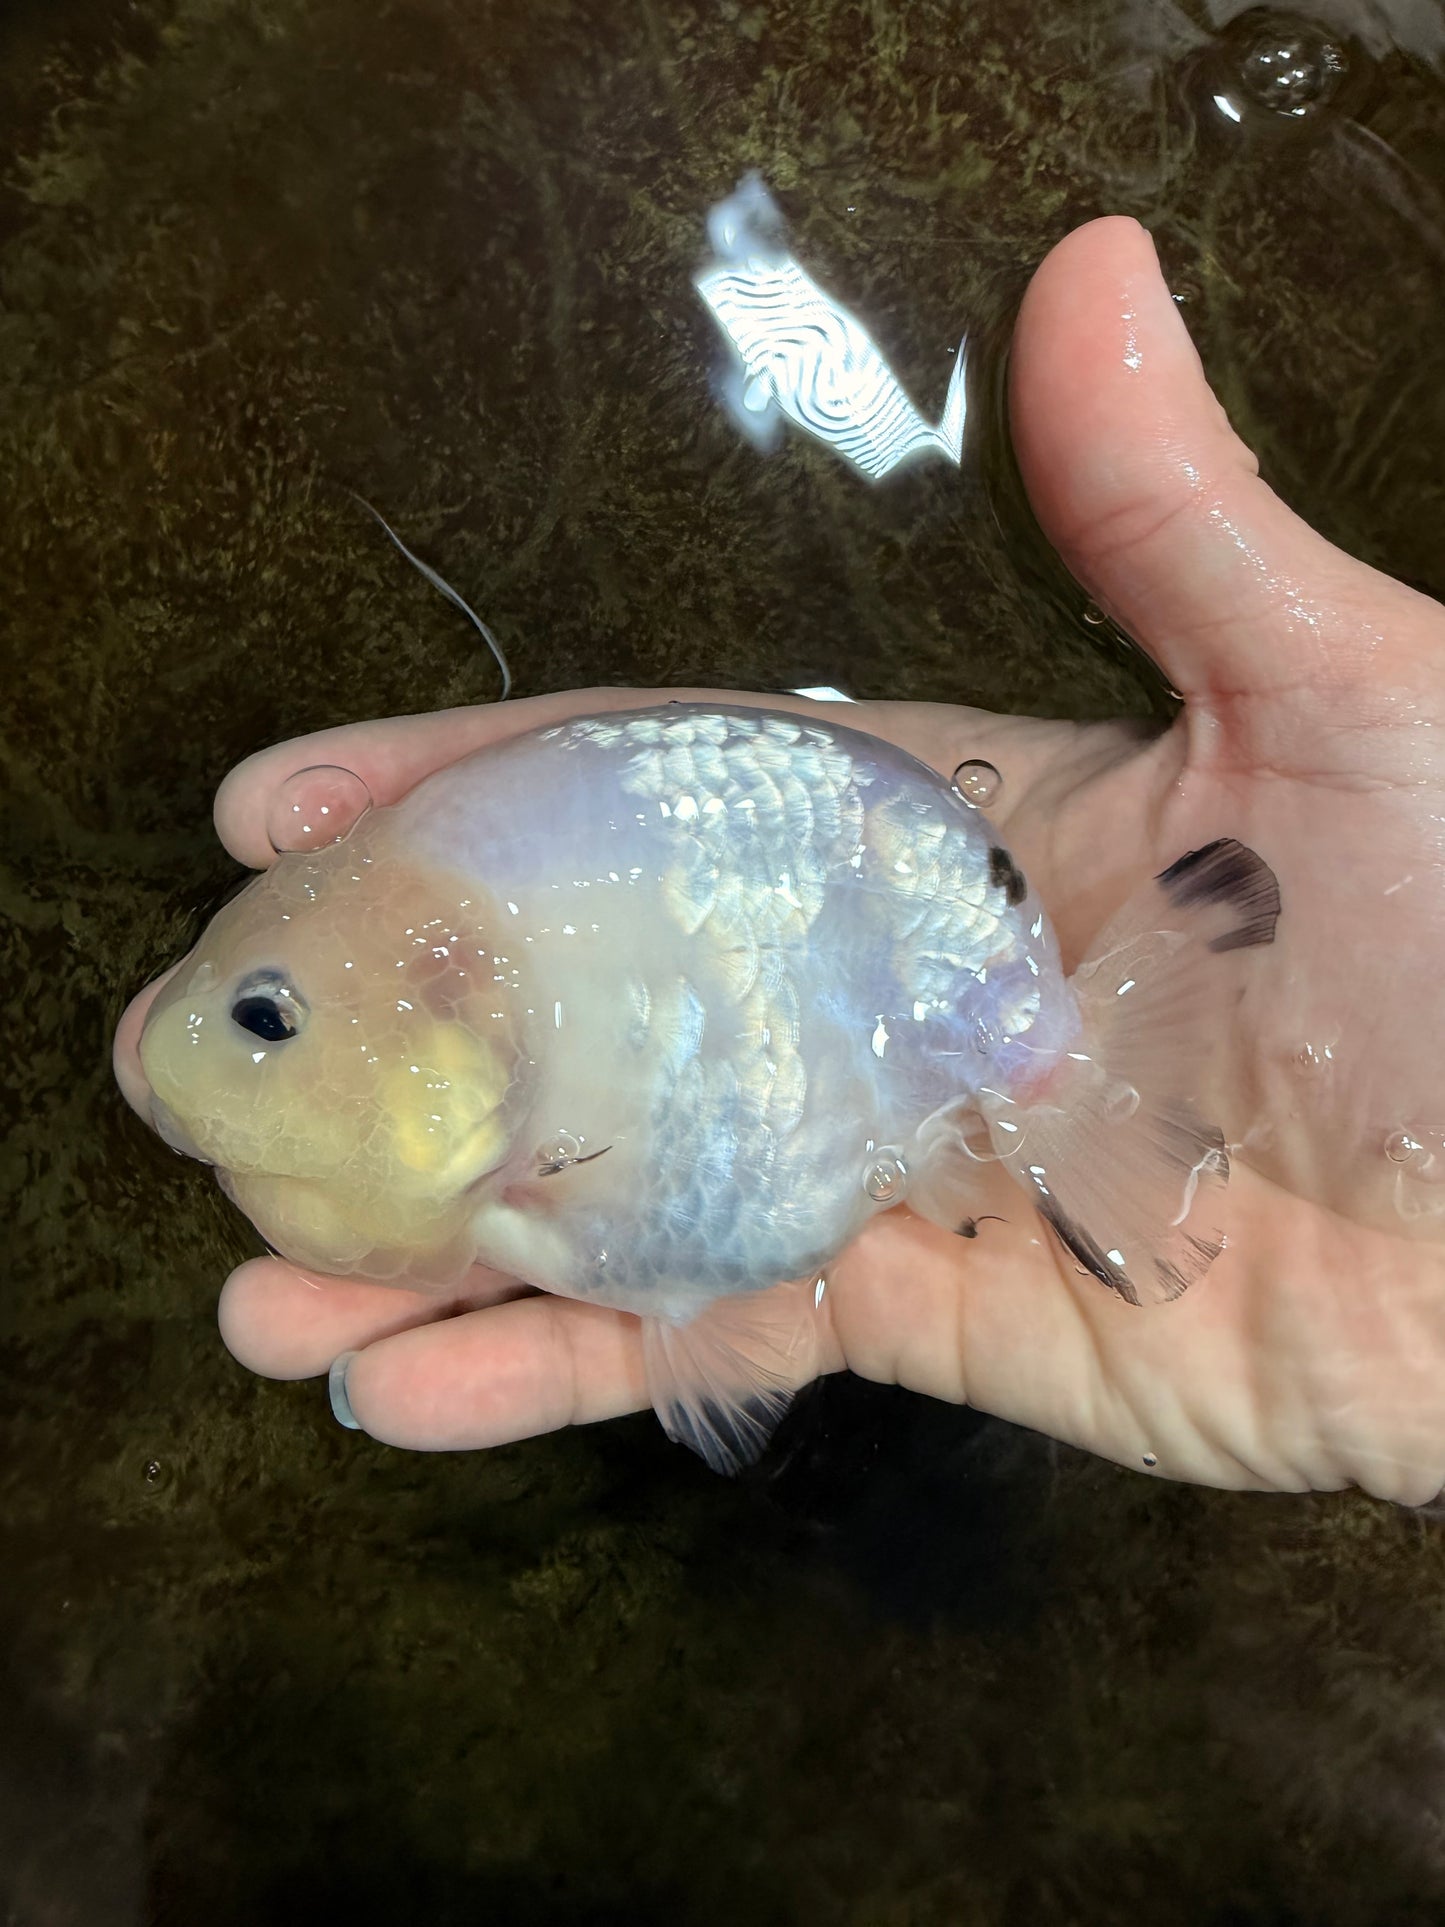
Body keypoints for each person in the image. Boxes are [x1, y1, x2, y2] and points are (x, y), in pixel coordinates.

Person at [114, 217, 1445, 1502]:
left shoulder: (489, 981)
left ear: (449, 983)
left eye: (270, 1017)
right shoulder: (468, 966)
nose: (231, 1045)